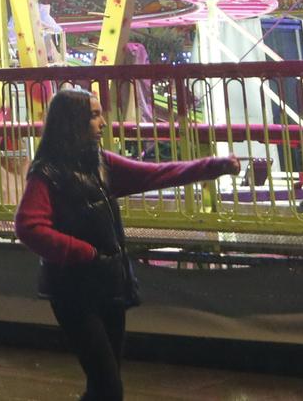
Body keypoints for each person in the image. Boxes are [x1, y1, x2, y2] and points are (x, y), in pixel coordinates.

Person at [16, 87, 241, 401]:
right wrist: (83, 252)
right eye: (94, 115)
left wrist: (212, 167)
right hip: (74, 291)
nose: (102, 123)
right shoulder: (47, 173)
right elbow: (28, 226)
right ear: (73, 122)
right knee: (108, 386)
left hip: (109, 285)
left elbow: (157, 174)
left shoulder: (101, 163)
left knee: (104, 384)